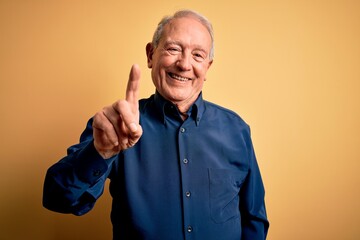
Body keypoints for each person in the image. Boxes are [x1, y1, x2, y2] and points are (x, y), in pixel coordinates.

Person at [43, 9, 269, 240]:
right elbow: (57, 198)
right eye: (173, 49)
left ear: (207, 68)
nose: (184, 64)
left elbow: (254, 220)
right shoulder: (117, 127)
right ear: (151, 55)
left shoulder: (236, 130)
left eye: (198, 55)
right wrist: (100, 152)